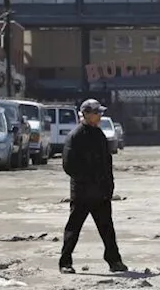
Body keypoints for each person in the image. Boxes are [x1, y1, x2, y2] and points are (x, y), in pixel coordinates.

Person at [59, 99, 128, 274]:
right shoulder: (75, 136)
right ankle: (65, 262)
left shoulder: (99, 135)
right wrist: (88, 181)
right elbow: (69, 166)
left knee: (107, 228)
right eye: (97, 113)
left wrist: (108, 186)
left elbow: (107, 162)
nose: (100, 116)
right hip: (82, 193)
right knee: (73, 229)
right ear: (87, 114)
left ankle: (114, 261)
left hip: (101, 192)